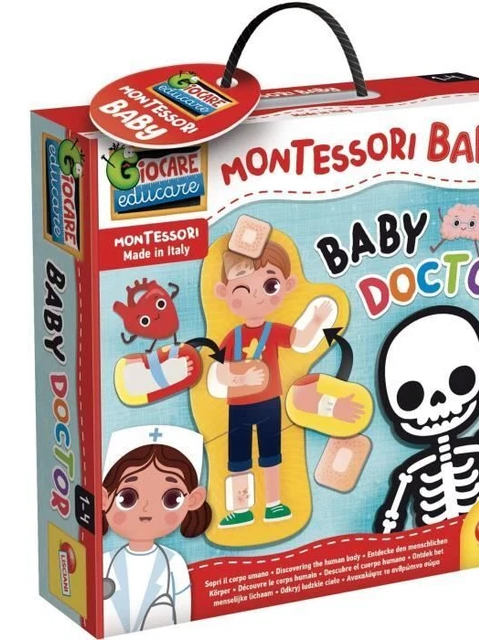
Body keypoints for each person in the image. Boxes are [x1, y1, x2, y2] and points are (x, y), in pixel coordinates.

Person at [213, 240, 333, 528]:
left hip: (269, 404)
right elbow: (219, 374)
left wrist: (316, 320)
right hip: (238, 407)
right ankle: (241, 508)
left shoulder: (274, 330)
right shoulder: (232, 336)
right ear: (224, 292)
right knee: (238, 459)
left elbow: (301, 341)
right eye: (242, 289)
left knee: (271, 456)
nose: (256, 296)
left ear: (287, 286)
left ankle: (273, 504)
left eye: (269, 286)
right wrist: (241, 378)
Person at [101, 425, 211, 635]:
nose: (146, 509)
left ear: (193, 500)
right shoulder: (104, 563)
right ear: (104, 498)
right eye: (128, 497)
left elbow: (184, 615)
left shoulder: (174, 563)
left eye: (171, 499)